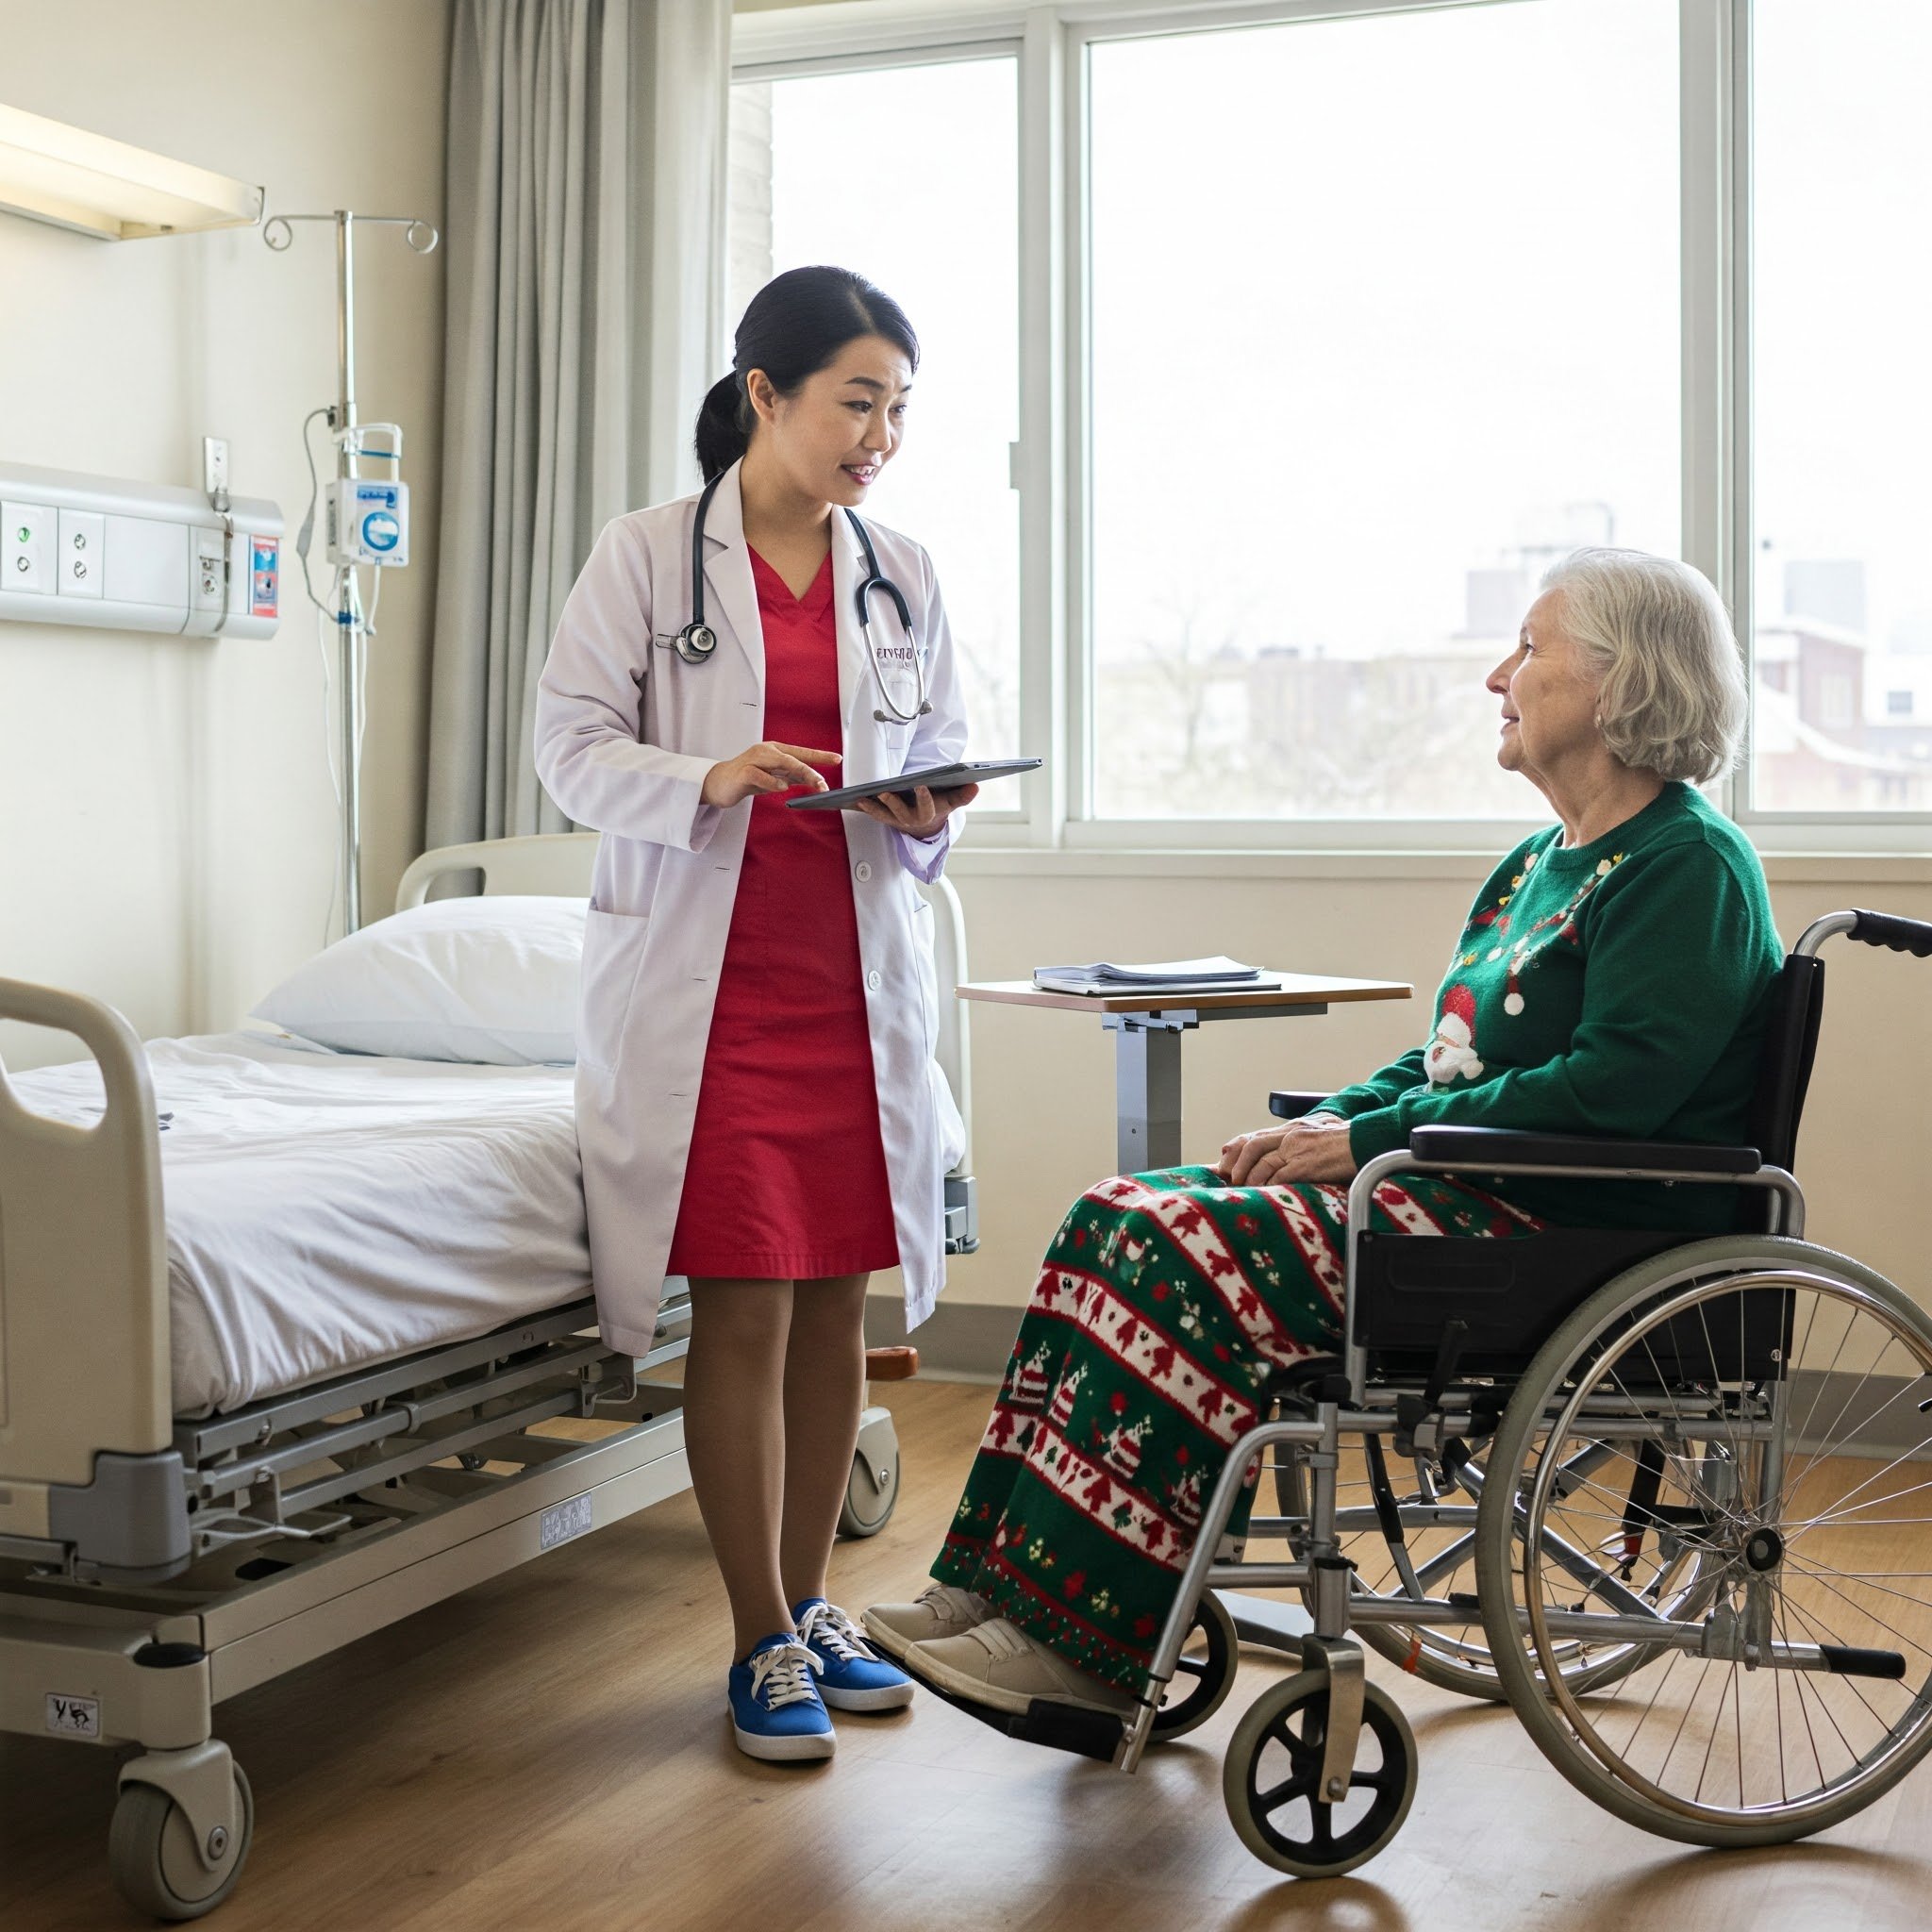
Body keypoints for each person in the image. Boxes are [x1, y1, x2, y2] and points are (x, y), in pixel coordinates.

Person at [866, 547, 1781, 1716]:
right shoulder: (1534, 867)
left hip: (1569, 1226)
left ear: (1616, 681)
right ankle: (995, 1587)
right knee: (1115, 1208)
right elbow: (1452, 1056)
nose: (1496, 676)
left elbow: (1609, 1093)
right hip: (1469, 1190)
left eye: (1528, 648)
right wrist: (1342, 1119)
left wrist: (1369, 1142)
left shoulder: (1687, 864)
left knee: (1182, 1249)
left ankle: (1085, 1645)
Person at [534, 266, 974, 1761]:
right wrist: (704, 776)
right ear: (766, 395)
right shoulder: (650, 560)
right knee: (745, 1310)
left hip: (851, 982)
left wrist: (927, 807)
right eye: (859, 401)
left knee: (837, 1300)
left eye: (901, 408)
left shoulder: (899, 568)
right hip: (708, 995)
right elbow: (569, 748)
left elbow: (938, 760)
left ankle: (812, 1608)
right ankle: (756, 1640)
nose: (882, 435)